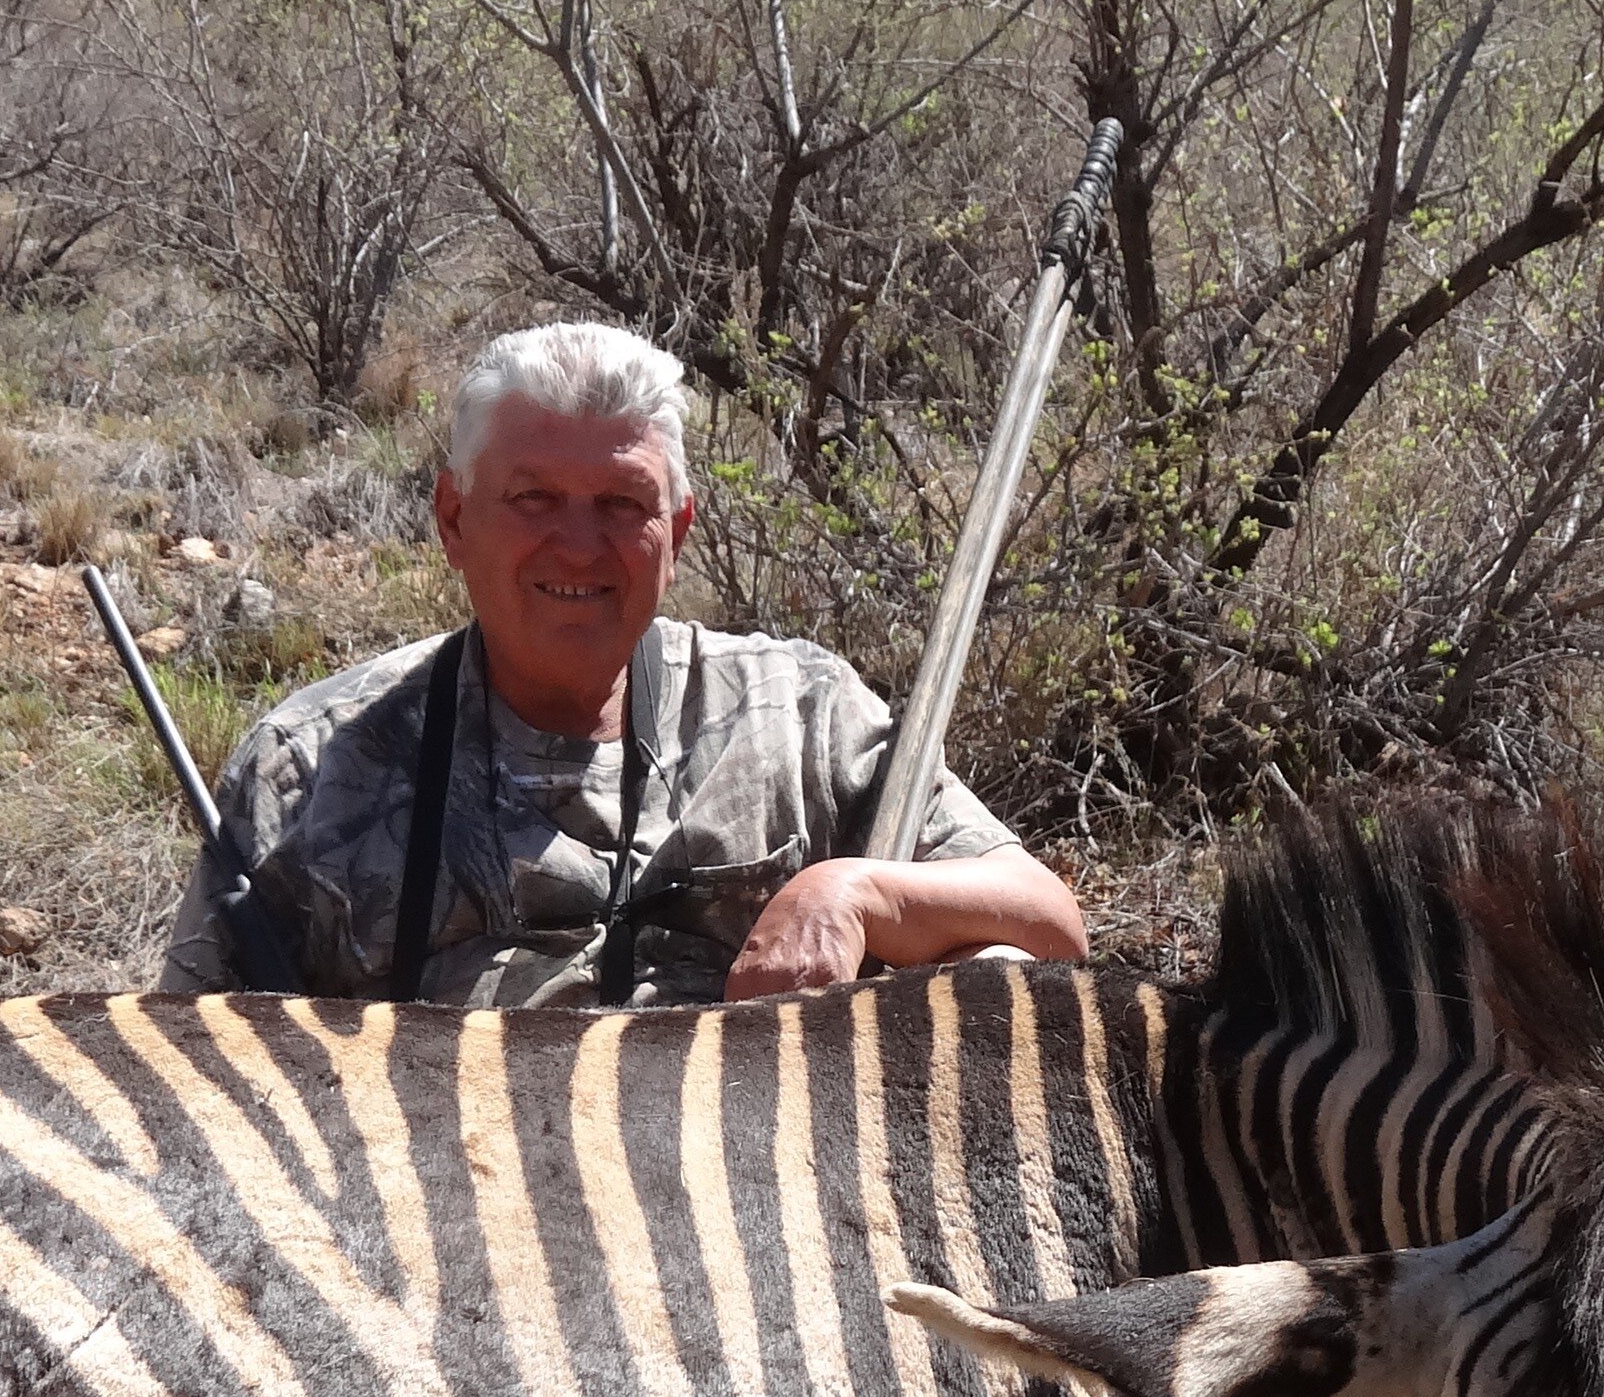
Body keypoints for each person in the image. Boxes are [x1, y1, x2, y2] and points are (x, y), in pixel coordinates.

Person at [160, 320, 1089, 1005]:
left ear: (676, 530)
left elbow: (1047, 923)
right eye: (533, 498)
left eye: (620, 503)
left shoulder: (804, 712)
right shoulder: (306, 765)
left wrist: (856, 891)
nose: (578, 547)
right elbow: (187, 1073)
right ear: (452, 520)